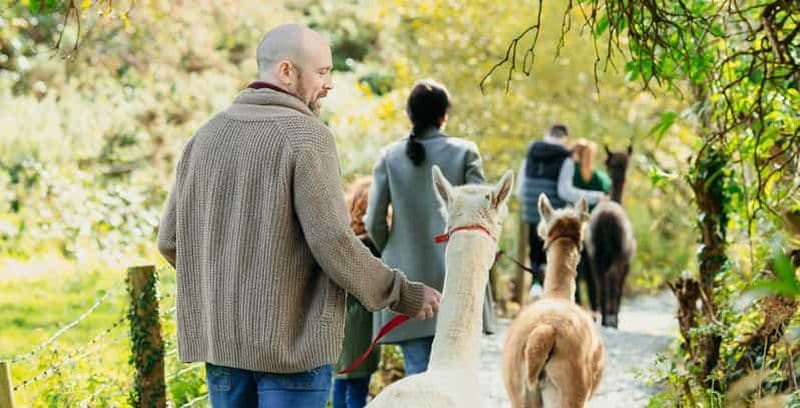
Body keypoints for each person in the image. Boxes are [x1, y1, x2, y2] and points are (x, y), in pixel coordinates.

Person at [156, 24, 441, 408]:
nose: (329, 85)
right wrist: (403, 293)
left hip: (222, 348)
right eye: (322, 72)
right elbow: (334, 243)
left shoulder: (204, 136)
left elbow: (171, 241)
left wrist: (230, 292)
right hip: (291, 350)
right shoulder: (307, 137)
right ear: (286, 72)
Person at [365, 79, 495, 377]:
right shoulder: (465, 152)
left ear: (409, 115)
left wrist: (393, 250)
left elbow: (373, 220)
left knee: (418, 371)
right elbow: (482, 215)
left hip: (406, 279)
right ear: (444, 115)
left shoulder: (389, 156)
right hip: (457, 276)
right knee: (456, 372)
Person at [518, 124, 607, 296]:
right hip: (553, 215)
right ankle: (554, 290)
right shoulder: (566, 159)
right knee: (553, 254)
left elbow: (520, 188)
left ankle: (536, 282)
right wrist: (597, 197)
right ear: (564, 139)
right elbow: (564, 191)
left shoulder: (530, 154)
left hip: (530, 210)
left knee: (535, 254)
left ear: (547, 135)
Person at [331, 176, 382, 408]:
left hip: (338, 319)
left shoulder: (341, 237)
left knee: (340, 383)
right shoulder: (372, 244)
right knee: (357, 389)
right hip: (361, 321)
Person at [570, 140, 611, 310]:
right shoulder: (599, 178)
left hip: (577, 227)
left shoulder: (571, 175)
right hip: (595, 229)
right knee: (593, 270)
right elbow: (608, 196)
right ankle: (596, 308)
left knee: (576, 269)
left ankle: (577, 306)